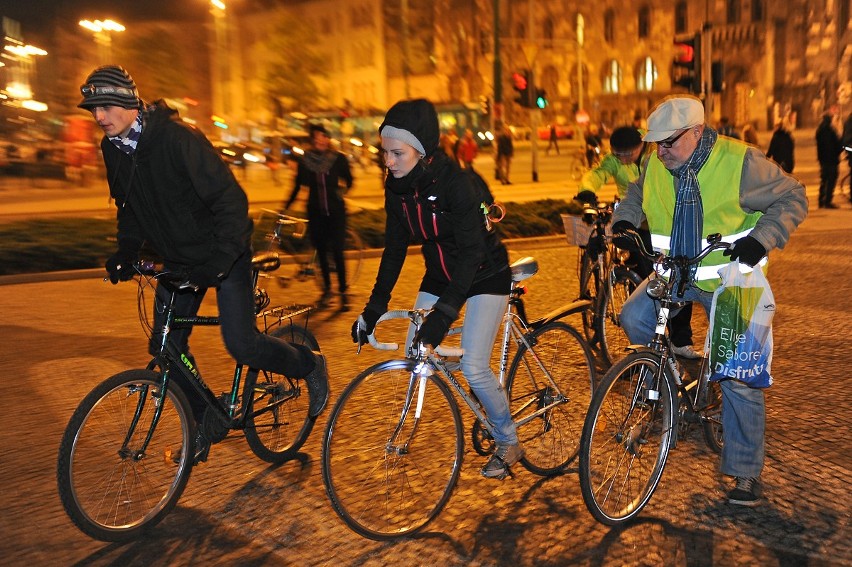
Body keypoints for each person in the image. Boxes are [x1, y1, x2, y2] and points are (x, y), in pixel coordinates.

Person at [79, 65, 330, 462]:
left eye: (106, 106)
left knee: (242, 344)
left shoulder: (178, 140)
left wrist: (219, 260)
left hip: (222, 254)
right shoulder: (113, 148)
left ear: (130, 102)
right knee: (165, 346)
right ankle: (206, 421)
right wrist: (126, 251)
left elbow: (231, 203)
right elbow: (128, 208)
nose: (99, 116)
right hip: (178, 261)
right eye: (93, 109)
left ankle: (308, 365)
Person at [611, 96, 808, 506]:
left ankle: (745, 472)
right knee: (633, 317)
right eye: (656, 143)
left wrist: (761, 239)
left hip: (730, 279)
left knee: (737, 375)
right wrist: (625, 222)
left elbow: (793, 196)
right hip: (675, 273)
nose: (660, 150)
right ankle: (666, 390)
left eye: (669, 142)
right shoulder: (656, 163)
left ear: (698, 132)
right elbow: (634, 194)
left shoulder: (740, 163)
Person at [350, 98, 523, 479]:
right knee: (418, 347)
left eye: (397, 153)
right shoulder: (396, 189)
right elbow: (394, 251)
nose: (388, 161)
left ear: (422, 152)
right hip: (440, 275)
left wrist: (442, 317)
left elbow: (471, 254)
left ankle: (508, 439)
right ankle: (459, 362)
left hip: (483, 273)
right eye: (385, 153)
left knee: (476, 368)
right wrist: (373, 308)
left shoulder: (456, 185)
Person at [577, 125, 701, 359]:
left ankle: (680, 339)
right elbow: (598, 173)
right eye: (617, 154)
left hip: (659, 225)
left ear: (641, 146)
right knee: (641, 284)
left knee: (676, 283)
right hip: (633, 224)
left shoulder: (656, 156)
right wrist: (586, 189)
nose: (622, 159)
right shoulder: (614, 161)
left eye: (627, 154)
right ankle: (646, 340)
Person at [284, 123, 354, 309]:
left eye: (323, 136)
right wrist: (286, 206)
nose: (320, 141)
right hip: (315, 213)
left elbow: (349, 180)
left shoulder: (338, 159)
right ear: (312, 141)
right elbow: (298, 186)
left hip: (336, 213)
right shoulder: (305, 160)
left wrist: (341, 192)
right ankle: (327, 292)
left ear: (328, 138)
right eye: (316, 138)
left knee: (337, 252)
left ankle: (343, 292)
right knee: (322, 253)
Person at [815, 109, 843, 209]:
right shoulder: (831, 131)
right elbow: (837, 145)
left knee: (824, 179)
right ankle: (827, 201)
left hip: (823, 160)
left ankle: (821, 201)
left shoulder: (820, 129)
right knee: (831, 180)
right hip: (832, 159)